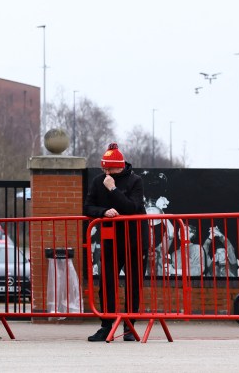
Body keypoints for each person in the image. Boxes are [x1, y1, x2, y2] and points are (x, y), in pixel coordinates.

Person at [84, 142, 147, 342]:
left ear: (119, 167)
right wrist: (103, 212)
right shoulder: (97, 181)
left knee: (133, 283)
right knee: (107, 282)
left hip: (134, 239)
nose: (105, 172)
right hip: (111, 240)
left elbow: (132, 208)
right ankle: (106, 325)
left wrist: (113, 190)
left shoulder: (135, 181)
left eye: (108, 168)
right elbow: (87, 207)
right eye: (103, 168)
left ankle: (129, 327)